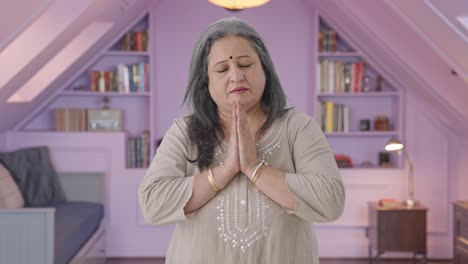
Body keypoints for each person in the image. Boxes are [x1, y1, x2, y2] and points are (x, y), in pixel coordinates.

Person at [138, 17, 345, 264]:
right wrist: (225, 171)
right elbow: (153, 203)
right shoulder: (185, 131)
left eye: (246, 64)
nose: (236, 76)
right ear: (206, 82)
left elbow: (330, 201)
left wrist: (254, 168)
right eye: (222, 69)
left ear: (265, 70)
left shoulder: (298, 128)